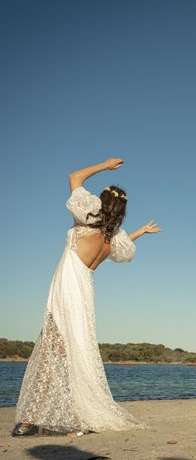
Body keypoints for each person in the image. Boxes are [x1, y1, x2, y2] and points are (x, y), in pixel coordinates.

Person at [12, 159, 161, 437]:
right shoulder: (110, 239)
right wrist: (142, 231)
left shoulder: (88, 219)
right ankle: (52, 415)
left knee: (51, 347)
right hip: (84, 288)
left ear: (101, 203)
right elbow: (124, 244)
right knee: (70, 348)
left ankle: (30, 419)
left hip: (68, 285)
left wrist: (105, 166)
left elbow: (74, 177)